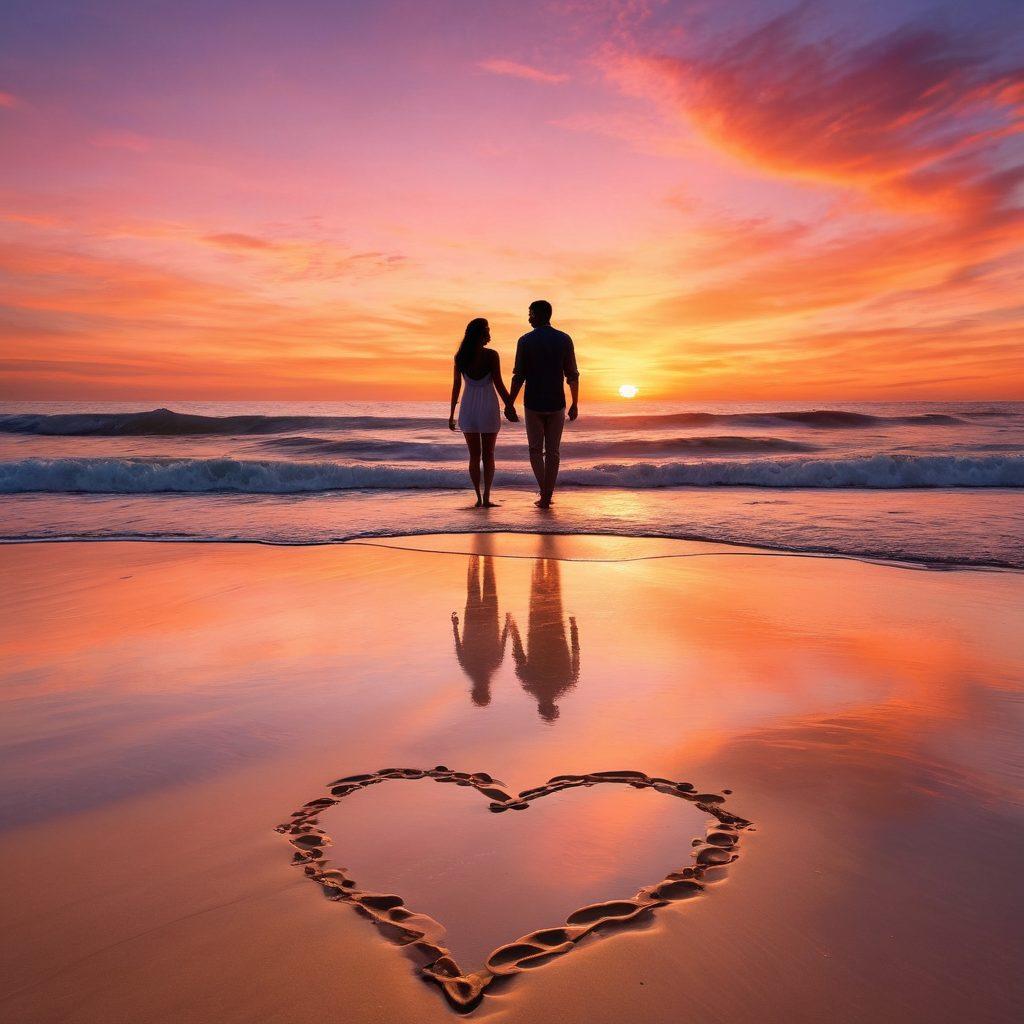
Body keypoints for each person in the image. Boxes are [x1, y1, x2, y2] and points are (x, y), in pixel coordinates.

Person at [506, 300, 579, 508]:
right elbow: (572, 375)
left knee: (535, 451)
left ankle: (545, 494)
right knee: (553, 452)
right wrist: (575, 403)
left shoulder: (525, 341)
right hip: (557, 402)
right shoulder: (564, 339)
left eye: (530, 314)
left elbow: (518, 376)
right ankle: (547, 494)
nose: (528, 318)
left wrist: (510, 403)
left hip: (533, 403)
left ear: (539, 315)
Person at [449, 317, 517, 507]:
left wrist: (452, 413)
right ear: (479, 334)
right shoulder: (491, 356)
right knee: (488, 455)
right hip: (488, 407)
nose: (489, 334)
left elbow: (456, 386)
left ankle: (478, 497)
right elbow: (499, 383)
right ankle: (486, 497)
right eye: (487, 330)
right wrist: (509, 405)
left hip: (468, 408)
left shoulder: (460, 356)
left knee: (474, 455)